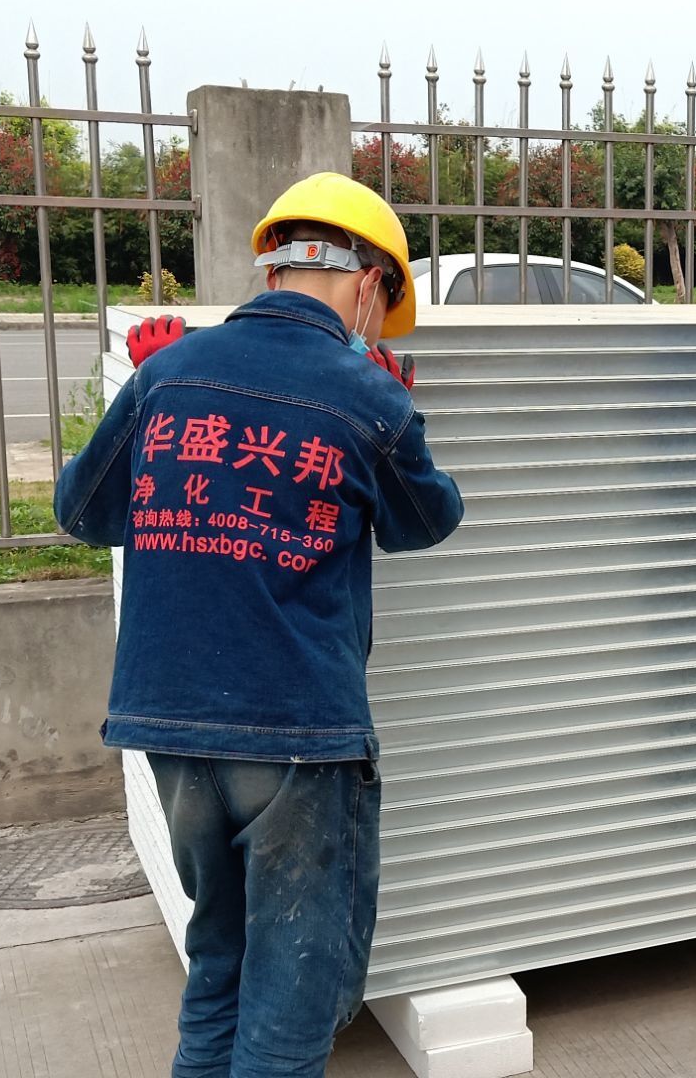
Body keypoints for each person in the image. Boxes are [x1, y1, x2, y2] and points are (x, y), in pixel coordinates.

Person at [55, 171, 463, 1078]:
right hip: (296, 735)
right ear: (369, 283)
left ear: (274, 267)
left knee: (220, 966)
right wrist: (397, 415)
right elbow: (426, 522)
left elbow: (81, 510)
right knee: (292, 997)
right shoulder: (367, 397)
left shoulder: (165, 374)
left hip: (167, 722)